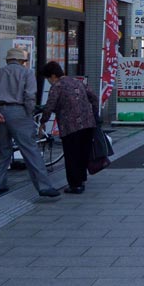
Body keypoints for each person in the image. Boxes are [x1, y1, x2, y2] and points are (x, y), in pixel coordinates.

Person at [0, 47, 59, 198]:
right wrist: (29, 113)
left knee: (3, 150)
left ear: (8, 60)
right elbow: (29, 96)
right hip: (19, 112)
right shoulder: (27, 73)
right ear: (23, 62)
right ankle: (44, 187)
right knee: (30, 150)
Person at [39, 61, 100, 194]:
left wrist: (43, 121)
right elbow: (94, 97)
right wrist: (94, 114)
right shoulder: (78, 82)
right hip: (88, 123)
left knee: (72, 155)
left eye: (48, 78)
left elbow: (49, 106)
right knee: (83, 153)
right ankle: (82, 179)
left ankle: (75, 184)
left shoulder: (57, 86)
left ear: (53, 75)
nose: (49, 81)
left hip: (70, 126)